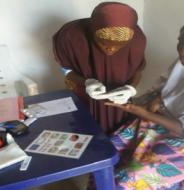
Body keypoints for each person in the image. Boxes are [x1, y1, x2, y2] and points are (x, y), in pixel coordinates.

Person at [105, 13, 184, 189]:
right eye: (180, 41)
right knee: (104, 155)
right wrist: (159, 98)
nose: (182, 50)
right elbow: (170, 86)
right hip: (158, 124)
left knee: (125, 181)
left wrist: (144, 113)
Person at [53, 2, 146, 135]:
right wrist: (85, 82)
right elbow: (66, 69)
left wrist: (131, 88)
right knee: (85, 134)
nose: (111, 50)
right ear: (93, 31)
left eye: (119, 46)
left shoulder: (137, 39)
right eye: (104, 44)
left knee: (117, 135)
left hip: (119, 100)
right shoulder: (71, 36)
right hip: (84, 96)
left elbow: (138, 69)